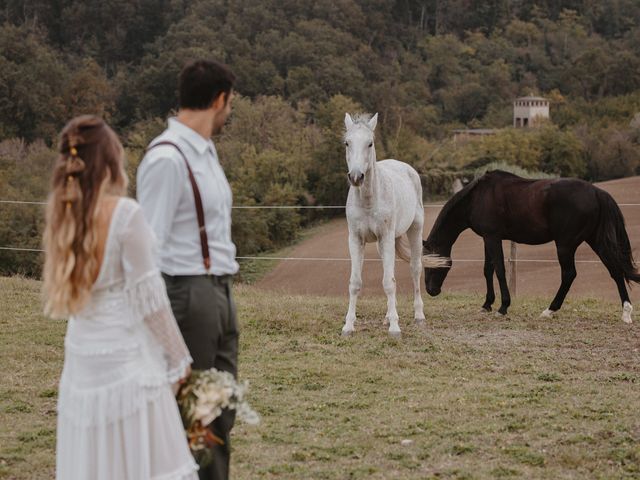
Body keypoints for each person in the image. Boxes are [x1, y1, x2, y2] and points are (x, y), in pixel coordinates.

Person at [43, 115, 198, 480]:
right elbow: (151, 300)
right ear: (110, 161)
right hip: (127, 364)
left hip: (81, 362)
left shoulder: (62, 214)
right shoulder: (126, 215)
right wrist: (180, 362)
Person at [137, 59, 239, 480]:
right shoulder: (166, 158)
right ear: (219, 100)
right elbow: (145, 250)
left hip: (219, 290)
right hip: (187, 294)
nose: (229, 111)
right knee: (196, 417)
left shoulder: (206, 151)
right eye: (230, 103)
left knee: (220, 409)